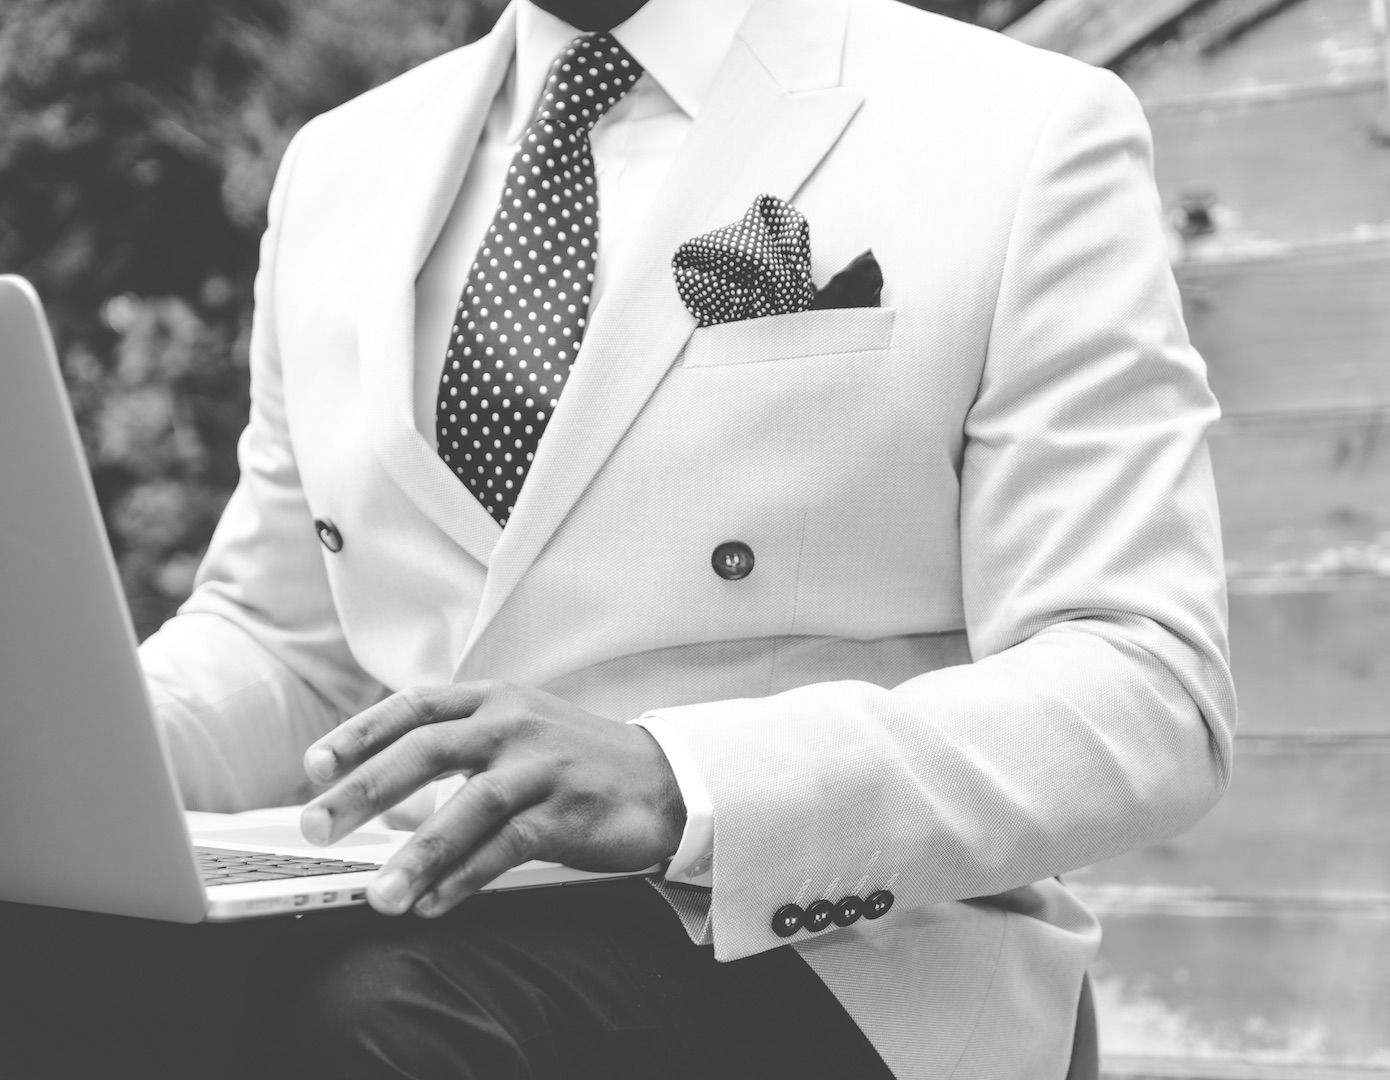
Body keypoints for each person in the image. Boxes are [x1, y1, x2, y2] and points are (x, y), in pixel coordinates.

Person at [0, 0, 1236, 1076]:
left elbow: (1140, 688)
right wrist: (56, 751)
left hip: (844, 950)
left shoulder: (1020, 127)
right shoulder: (340, 164)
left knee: (384, 1024)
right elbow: (289, 647)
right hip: (417, 898)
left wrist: (677, 780)